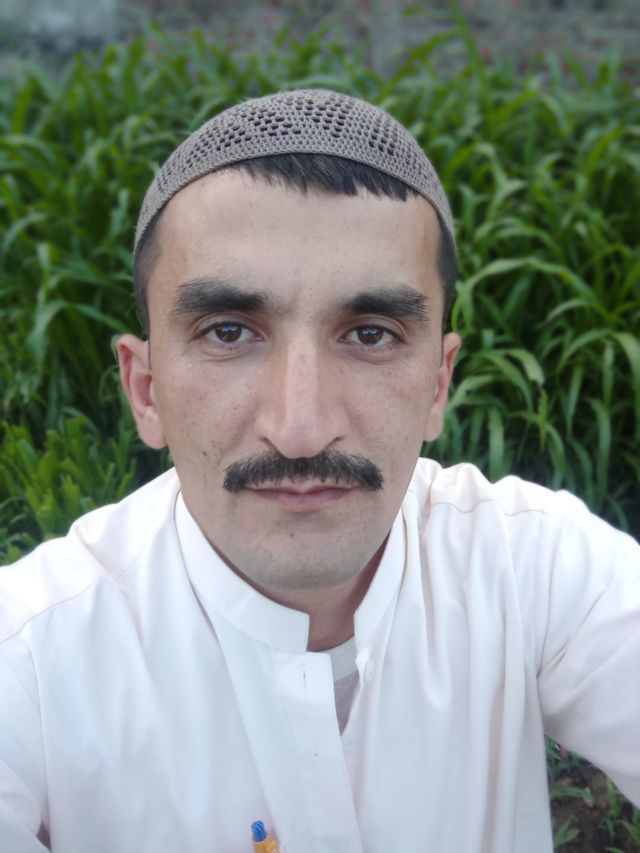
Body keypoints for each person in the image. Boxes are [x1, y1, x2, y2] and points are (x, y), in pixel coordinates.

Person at [0, 88, 638, 853]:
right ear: (146, 389)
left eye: (369, 334)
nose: (300, 428)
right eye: (228, 331)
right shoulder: (29, 659)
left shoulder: (533, 570)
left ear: (439, 383)